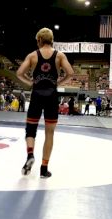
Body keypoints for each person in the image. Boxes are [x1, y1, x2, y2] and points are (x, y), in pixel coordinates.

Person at [16, 27, 74, 178]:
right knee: (49, 133)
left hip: (36, 95)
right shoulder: (59, 55)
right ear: (52, 40)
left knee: (30, 130)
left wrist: (30, 82)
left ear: (39, 40)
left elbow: (19, 73)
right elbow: (71, 73)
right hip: (51, 96)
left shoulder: (32, 56)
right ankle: (44, 168)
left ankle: (30, 155)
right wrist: (59, 82)